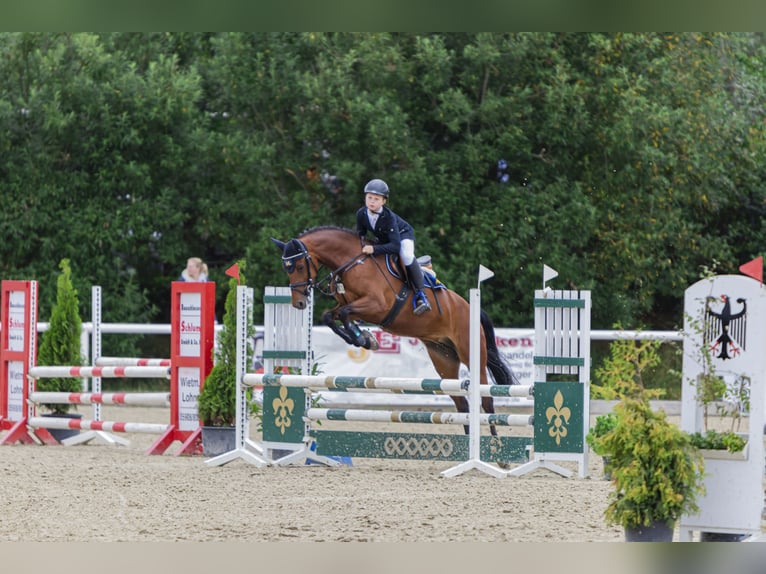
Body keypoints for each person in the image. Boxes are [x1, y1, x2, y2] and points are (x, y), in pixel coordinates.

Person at [356, 178, 431, 315]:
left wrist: (374, 249)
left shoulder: (388, 217)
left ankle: (421, 295)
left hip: (402, 236)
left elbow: (395, 246)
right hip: (385, 239)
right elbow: (361, 234)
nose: (372, 201)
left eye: (376, 199)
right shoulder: (361, 214)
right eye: (369, 197)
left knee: (406, 255)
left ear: (384, 201)